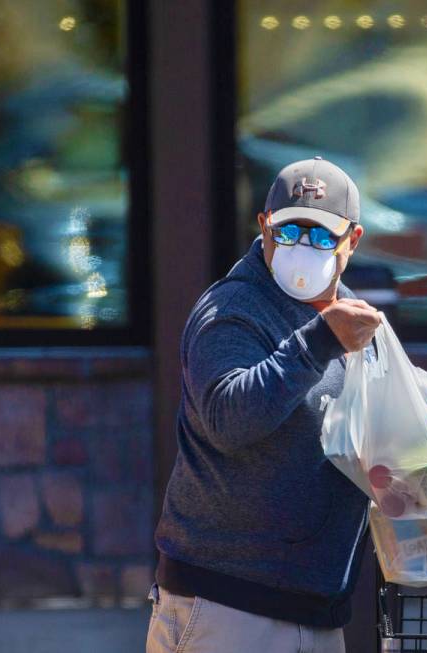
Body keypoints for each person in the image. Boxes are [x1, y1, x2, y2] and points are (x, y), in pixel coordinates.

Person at [147, 157, 381, 652]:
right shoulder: (231, 309)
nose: (302, 246)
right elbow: (229, 420)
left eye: (320, 236)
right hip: (228, 607)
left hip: (316, 611)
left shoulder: (352, 319)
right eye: (288, 230)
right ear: (264, 226)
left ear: (352, 241)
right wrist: (318, 342)